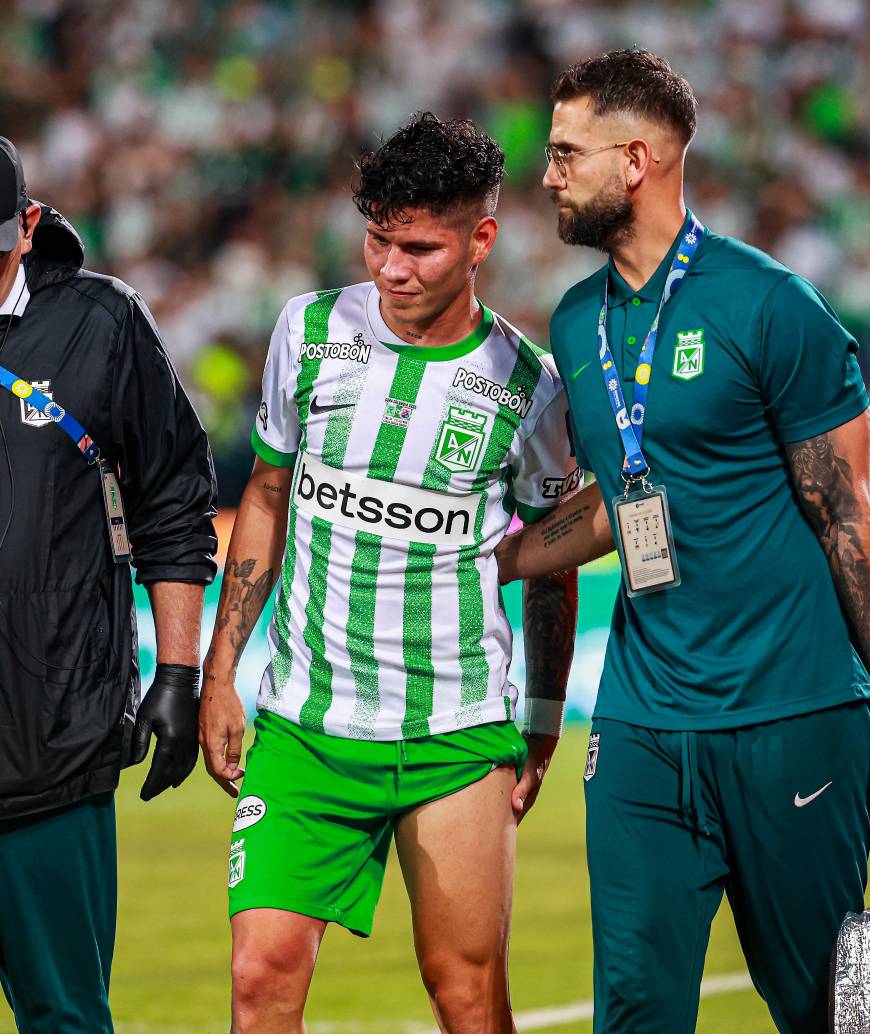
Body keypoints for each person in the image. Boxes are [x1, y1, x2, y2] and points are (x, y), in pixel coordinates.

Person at [495, 50, 870, 1034]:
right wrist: (488, 553)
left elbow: (843, 511)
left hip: (800, 713)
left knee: (848, 1010)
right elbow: (619, 504)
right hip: (644, 724)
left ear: (637, 160)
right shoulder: (575, 321)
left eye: (567, 151)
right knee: (633, 1006)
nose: (547, 173)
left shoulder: (770, 303)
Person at [199, 113, 580, 1034]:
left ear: (481, 238)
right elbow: (266, 491)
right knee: (260, 977)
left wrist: (540, 716)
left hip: (452, 732)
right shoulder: (311, 329)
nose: (391, 268)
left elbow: (555, 563)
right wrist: (221, 671)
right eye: (378, 239)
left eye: (420, 246)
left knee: (465, 992)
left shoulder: (528, 384)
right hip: (305, 723)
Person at [0, 136, 218, 1033]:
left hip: (53, 743)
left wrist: (176, 674)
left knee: (66, 1019)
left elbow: (171, 501)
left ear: (25, 226)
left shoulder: (101, 323)